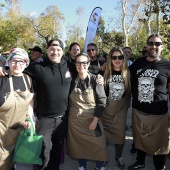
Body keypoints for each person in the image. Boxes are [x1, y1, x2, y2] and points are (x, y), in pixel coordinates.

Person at [128, 33, 170, 170]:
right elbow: (121, 74)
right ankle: (140, 161)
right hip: (138, 111)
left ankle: (159, 166)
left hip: (159, 114)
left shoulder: (167, 65)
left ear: (162, 47)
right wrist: (104, 66)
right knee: (139, 140)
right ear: (146, 46)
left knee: (160, 143)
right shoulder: (137, 63)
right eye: (151, 43)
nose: (154, 46)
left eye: (157, 44)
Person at [67, 53, 108, 170]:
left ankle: (100, 166)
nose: (81, 65)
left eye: (84, 63)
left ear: (88, 64)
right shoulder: (70, 81)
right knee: (79, 145)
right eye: (78, 63)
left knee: (99, 144)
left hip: (92, 118)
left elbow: (102, 101)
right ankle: (81, 166)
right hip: (75, 121)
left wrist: (95, 121)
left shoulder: (96, 79)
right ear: (75, 64)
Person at [0, 48, 34, 170]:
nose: (17, 64)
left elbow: (30, 102)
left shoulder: (28, 80)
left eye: (21, 61)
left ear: (26, 63)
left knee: (12, 162)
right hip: (2, 134)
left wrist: (29, 119)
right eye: (13, 60)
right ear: (8, 62)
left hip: (18, 132)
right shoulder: (1, 78)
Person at [101, 46, 131, 169]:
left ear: (124, 58)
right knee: (105, 138)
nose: (117, 59)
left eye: (120, 57)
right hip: (105, 111)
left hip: (120, 111)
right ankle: (103, 157)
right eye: (114, 57)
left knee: (119, 138)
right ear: (110, 59)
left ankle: (118, 156)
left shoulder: (129, 73)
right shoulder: (104, 72)